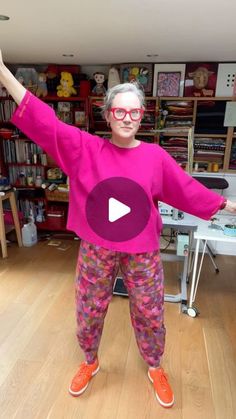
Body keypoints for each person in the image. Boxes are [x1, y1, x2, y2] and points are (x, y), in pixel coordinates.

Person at [1, 50, 236, 409]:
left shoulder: (156, 156)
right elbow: (44, 120)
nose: (127, 118)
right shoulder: (85, 149)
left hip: (142, 249)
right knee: (89, 307)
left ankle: (155, 366)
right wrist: (3, 72)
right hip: (96, 248)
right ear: (108, 114)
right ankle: (90, 361)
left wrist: (224, 204)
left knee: (150, 310)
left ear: (142, 115)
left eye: (135, 111)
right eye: (120, 111)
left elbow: (187, 188)